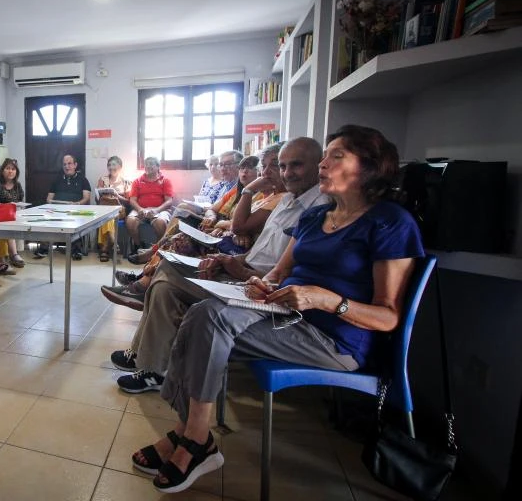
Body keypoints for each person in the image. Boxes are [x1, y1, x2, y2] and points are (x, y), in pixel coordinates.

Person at [135, 124, 423, 494]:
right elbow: (278, 274)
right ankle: (193, 435)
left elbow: (389, 316)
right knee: (203, 313)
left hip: (334, 339)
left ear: (370, 167)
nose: (324, 164)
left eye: (337, 156)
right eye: (326, 155)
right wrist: (261, 285)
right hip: (284, 316)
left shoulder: (390, 224)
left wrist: (325, 299)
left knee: (209, 320)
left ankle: (190, 437)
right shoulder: (315, 218)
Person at [111, 137, 329, 393]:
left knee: (166, 277)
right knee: (166, 274)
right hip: (241, 269)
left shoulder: (317, 210)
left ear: (319, 165)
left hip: (258, 287)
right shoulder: (286, 202)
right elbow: (254, 250)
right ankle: (148, 362)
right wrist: (226, 261)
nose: (284, 173)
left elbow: (281, 272)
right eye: (280, 166)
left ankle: (148, 356)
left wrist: (240, 267)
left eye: (295, 165)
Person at [101, 149, 283, 311]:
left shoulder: (258, 194)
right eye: (222, 165)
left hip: (224, 239)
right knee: (178, 226)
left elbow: (237, 225)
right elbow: (216, 209)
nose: (223, 169)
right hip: (216, 229)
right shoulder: (240, 190)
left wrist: (224, 225)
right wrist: (213, 217)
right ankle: (143, 276)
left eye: (248, 169)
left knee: (179, 233)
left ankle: (144, 275)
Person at [34, 154, 92, 260]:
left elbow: (87, 198)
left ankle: (76, 250)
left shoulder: (83, 179)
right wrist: (54, 203)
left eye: (69, 164)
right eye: (64, 164)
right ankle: (44, 248)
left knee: (75, 219)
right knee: (46, 217)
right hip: (57, 209)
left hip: (76, 210)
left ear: (75, 165)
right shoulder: (57, 180)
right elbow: (48, 199)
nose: (66, 166)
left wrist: (77, 204)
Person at [124, 157, 175, 253]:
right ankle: (138, 246)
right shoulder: (137, 181)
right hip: (141, 209)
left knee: (161, 222)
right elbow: (132, 200)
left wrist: (157, 210)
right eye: (146, 164)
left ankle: (157, 250)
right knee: (130, 221)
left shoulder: (165, 180)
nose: (148, 166)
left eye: (151, 164)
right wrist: (139, 209)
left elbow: (169, 201)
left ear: (158, 167)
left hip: (160, 210)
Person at [0, 157, 26, 268]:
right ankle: (8, 255)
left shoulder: (17, 185)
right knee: (4, 224)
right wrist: (3, 206)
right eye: (7, 168)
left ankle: (12, 255)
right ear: (2, 170)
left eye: (13, 169)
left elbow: (20, 202)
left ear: (16, 171)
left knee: (11, 222)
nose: (10, 171)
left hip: (12, 215)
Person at [94, 155, 132, 262]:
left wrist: (117, 195)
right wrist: (99, 194)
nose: (111, 167)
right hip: (104, 208)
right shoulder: (103, 179)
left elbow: (129, 201)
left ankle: (104, 249)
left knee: (108, 216)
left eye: (114, 164)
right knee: (107, 216)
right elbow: (97, 199)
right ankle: (112, 241)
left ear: (120, 167)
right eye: (109, 165)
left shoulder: (126, 182)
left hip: (119, 209)